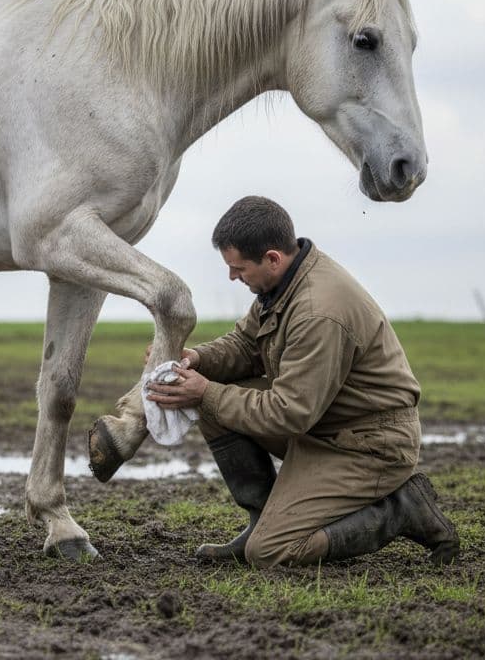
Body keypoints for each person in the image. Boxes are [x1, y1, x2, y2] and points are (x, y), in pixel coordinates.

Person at [143, 195, 458, 567]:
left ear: (272, 259)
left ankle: (400, 509)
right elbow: (246, 344)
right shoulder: (281, 284)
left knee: (271, 551)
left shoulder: (317, 312)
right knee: (209, 403)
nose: (232, 277)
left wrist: (205, 391)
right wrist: (196, 359)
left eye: (238, 268)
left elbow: (289, 414)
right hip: (326, 423)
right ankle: (262, 519)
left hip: (367, 445)